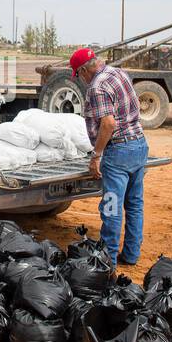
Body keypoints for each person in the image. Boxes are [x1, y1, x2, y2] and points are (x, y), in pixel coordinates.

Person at [70, 47, 147, 266]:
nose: (81, 79)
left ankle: (108, 262)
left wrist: (96, 156)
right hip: (139, 146)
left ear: (85, 69)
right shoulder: (119, 74)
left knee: (111, 208)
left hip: (118, 153)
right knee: (134, 204)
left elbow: (109, 123)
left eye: (79, 74)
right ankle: (131, 255)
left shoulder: (97, 87)